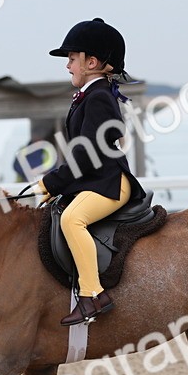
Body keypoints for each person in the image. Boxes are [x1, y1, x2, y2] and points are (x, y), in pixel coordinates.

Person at [34, 18, 146, 326]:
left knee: (73, 219)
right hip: (96, 180)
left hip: (110, 183)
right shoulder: (89, 95)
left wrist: (52, 182)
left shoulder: (98, 97)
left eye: (72, 58)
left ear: (92, 62)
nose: (68, 65)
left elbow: (88, 152)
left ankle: (92, 294)